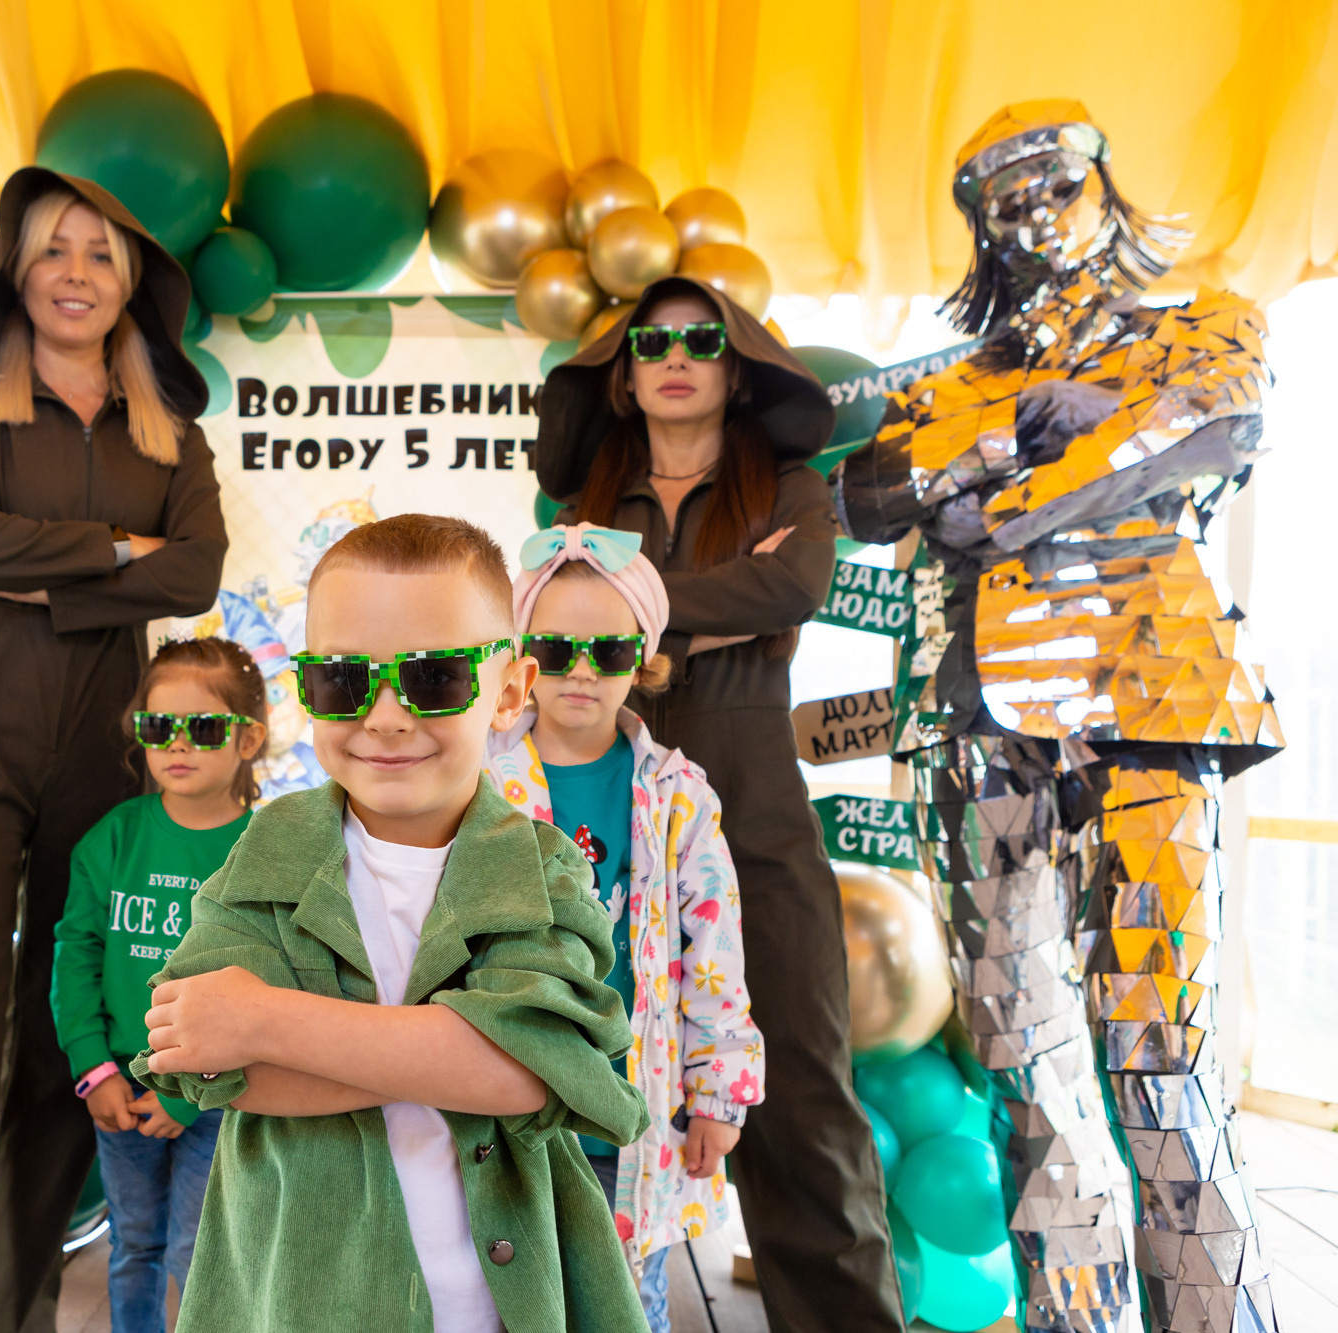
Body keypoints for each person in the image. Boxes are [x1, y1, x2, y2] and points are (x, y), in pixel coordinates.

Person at [837, 101, 1280, 1329]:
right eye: (998, 196)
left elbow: (1205, 420)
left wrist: (997, 492)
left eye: (1051, 179)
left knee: (1157, 1057)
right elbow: (871, 492)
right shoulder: (949, 384)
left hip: (1141, 710)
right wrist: (1010, 443)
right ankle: (1070, 1320)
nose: (1029, 208)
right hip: (971, 732)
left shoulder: (1198, 321)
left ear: (1104, 184)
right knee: (1022, 1076)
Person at [0, 167, 229, 1333]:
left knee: (70, 1047)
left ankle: (6, 1310)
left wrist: (53, 568)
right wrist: (117, 553)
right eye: (53, 250)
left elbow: (196, 572)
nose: (75, 272)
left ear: (129, 290)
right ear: (18, 271)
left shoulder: (174, 434)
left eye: (100, 255)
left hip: (104, 741)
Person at [134, 513, 650, 1332]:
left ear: (511, 688)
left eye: (436, 677)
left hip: (498, 1306)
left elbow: (530, 1071)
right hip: (300, 1303)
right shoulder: (269, 850)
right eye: (342, 680)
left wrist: (264, 1019)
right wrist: (460, 1054)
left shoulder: (545, 869)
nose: (384, 715)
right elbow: (199, 1059)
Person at [534, 278, 906, 1330]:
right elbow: (558, 617)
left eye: (701, 336)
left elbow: (789, 590)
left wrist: (634, 601)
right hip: (608, 804)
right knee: (590, 1074)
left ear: (735, 363)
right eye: (650, 339)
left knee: (800, 1089)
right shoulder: (586, 508)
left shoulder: (785, 489)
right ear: (622, 369)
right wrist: (707, 604)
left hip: (753, 806)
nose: (675, 353)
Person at [486, 523, 764, 1331]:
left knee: (623, 1310)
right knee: (501, 1301)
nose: (580, 670)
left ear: (642, 659)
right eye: (556, 646)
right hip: (506, 1108)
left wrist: (719, 1089)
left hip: (629, 1113)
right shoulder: (478, 781)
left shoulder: (678, 794)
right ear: (521, 655)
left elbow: (714, 953)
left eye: (607, 651)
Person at [50, 637, 268, 1333]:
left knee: (197, 1251)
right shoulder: (113, 838)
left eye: (203, 727)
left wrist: (190, 1088)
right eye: (158, 726)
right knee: (134, 1244)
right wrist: (93, 1067)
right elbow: (75, 953)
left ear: (249, 738)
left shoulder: (265, 851)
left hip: (220, 1098)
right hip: (119, 1090)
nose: (179, 744)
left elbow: (274, 984)